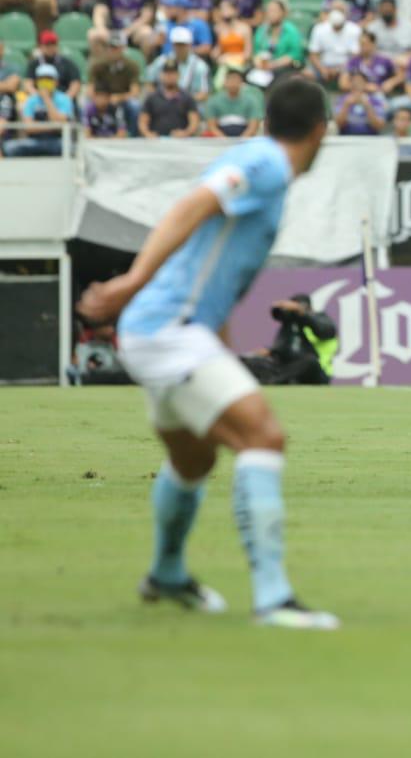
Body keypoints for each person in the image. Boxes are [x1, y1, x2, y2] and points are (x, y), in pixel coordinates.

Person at [76, 79, 339, 628]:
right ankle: (273, 597)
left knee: (192, 460)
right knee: (264, 438)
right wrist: (131, 281)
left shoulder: (260, 160)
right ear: (321, 131)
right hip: (167, 328)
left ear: (266, 121)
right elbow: (192, 205)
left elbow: (215, 264)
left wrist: (222, 350)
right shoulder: (267, 164)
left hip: (166, 332)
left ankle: (167, 575)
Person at [241, 295, 337, 386]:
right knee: (252, 361)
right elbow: (288, 349)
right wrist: (271, 352)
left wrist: (302, 312)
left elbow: (326, 332)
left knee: (309, 361)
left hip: (317, 371)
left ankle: (272, 381)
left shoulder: (321, 319)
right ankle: (262, 380)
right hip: (289, 369)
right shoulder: (291, 325)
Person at [206, 67, 262, 137]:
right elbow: (211, 126)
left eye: (236, 80)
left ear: (242, 82)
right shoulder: (214, 101)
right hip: (220, 137)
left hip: (244, 136)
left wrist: (241, 140)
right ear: (225, 82)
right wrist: (224, 140)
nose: (233, 83)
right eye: (230, 80)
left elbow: (253, 126)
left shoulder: (251, 101)